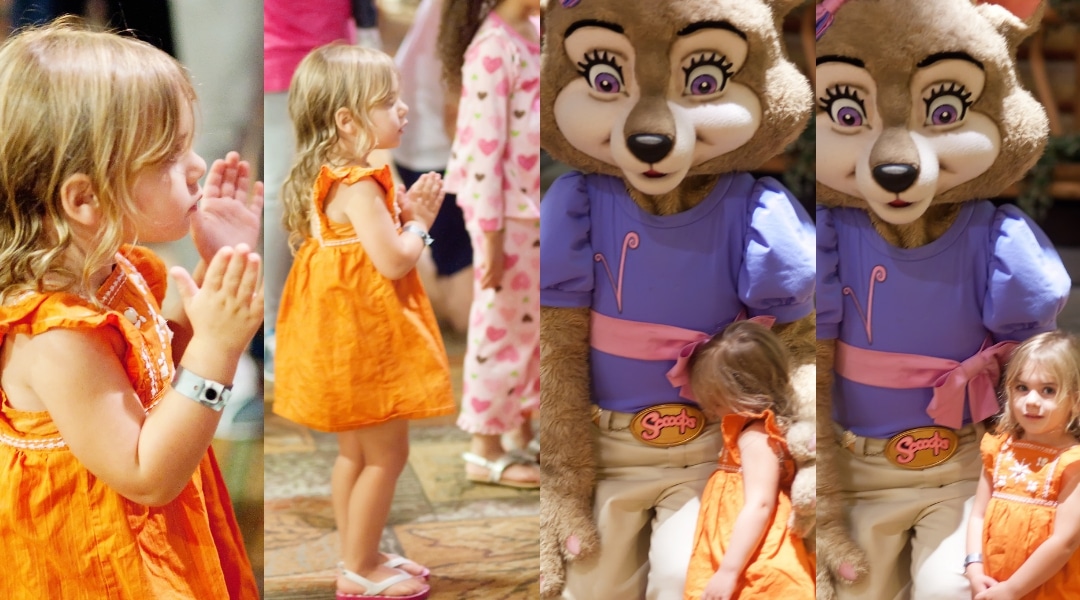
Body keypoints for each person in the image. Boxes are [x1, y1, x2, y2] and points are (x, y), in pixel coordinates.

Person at [0, 21, 264, 598]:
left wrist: (216, 270)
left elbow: (158, 370)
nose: (197, 167)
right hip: (101, 562)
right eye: (169, 157)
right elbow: (146, 476)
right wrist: (219, 348)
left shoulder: (113, 268)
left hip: (148, 532)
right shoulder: (57, 338)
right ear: (85, 198)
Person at [272, 43, 456, 599]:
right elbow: (394, 260)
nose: (403, 108)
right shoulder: (359, 183)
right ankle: (357, 569)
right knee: (388, 455)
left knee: (354, 454)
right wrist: (420, 222)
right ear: (347, 120)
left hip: (339, 335)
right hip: (365, 337)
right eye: (388, 101)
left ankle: (361, 553)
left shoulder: (329, 174)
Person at [439, 0, 542, 488]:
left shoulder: (532, 30)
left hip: (533, 207)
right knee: (499, 327)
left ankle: (520, 426)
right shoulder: (493, 48)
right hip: (506, 214)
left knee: (531, 326)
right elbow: (484, 153)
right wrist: (492, 234)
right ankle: (484, 448)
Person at [681, 321, 815, 600]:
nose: (711, 409)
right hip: (741, 545)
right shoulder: (755, 430)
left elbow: (760, 504)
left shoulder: (755, 437)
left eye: (716, 401)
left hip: (753, 556)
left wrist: (728, 571)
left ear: (744, 394)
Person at [965, 331, 1080, 600]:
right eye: (1022, 388)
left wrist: (1013, 589)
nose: (1031, 401)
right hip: (993, 586)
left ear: (1076, 401)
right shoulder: (999, 449)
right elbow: (978, 515)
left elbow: (1065, 541)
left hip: (1048, 590)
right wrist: (974, 567)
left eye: (1048, 390)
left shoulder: (1072, 463)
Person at [393, 0, 474, 336]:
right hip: (436, 150)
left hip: (422, 142)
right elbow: (453, 109)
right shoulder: (465, 15)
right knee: (466, 314)